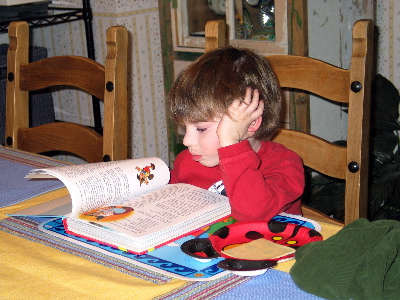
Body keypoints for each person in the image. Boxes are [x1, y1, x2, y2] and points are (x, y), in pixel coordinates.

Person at [168, 46, 304, 222]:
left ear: (250, 123)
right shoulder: (188, 162)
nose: (187, 141)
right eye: (185, 128)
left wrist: (230, 143)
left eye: (201, 129)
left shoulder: (285, 166)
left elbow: (253, 213)